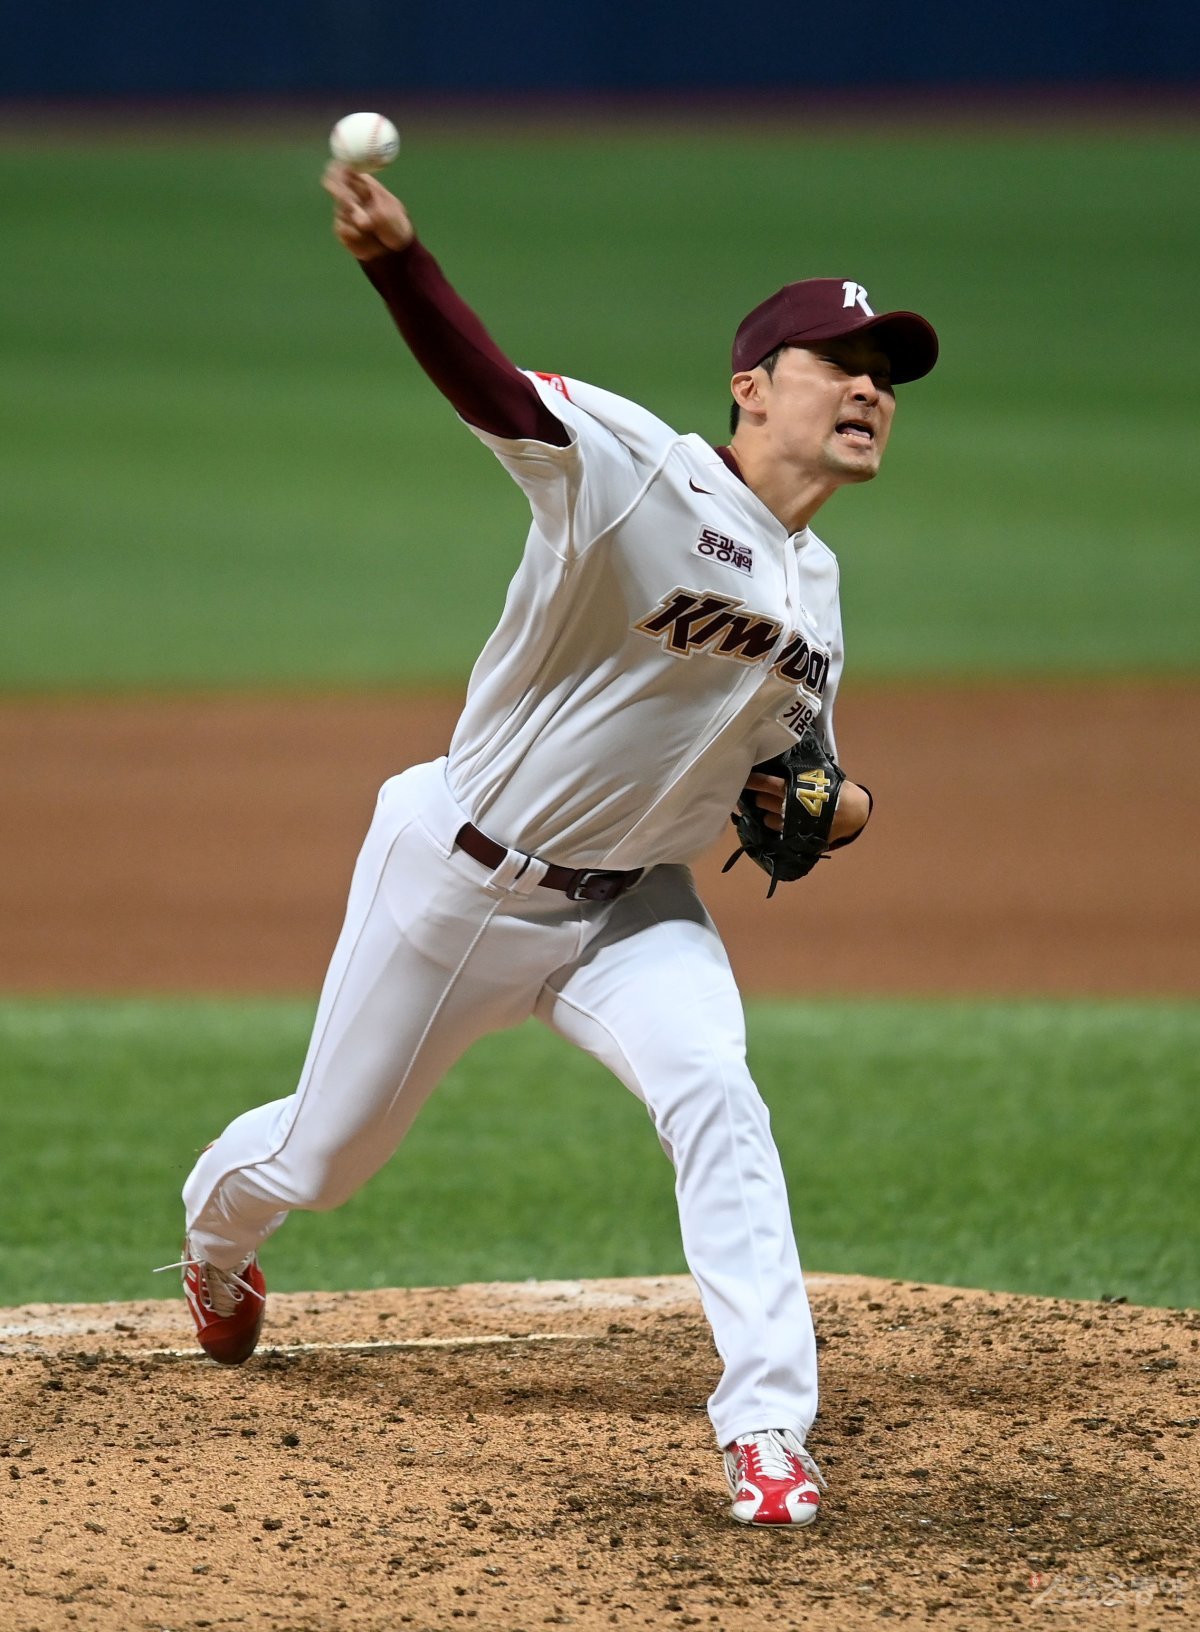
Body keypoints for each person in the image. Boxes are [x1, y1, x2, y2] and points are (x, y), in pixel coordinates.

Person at [164, 162, 938, 1529]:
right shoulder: (640, 475)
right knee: (322, 1164)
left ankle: (766, 1429)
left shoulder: (817, 591)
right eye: (840, 363)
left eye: (886, 374)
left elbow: (798, 778)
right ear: (754, 386)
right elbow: (497, 396)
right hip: (457, 878)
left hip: (631, 911)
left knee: (716, 1092)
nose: (869, 389)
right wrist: (399, 262)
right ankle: (217, 1245)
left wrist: (845, 805)